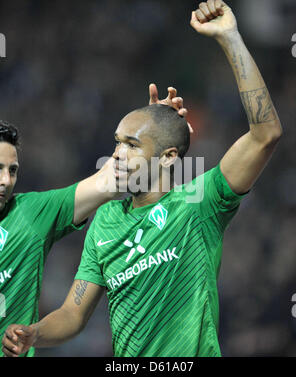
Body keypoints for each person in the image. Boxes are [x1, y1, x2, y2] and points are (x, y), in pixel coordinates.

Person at [2, 0, 282, 357]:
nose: (118, 153)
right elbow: (74, 313)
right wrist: (34, 333)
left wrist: (230, 38)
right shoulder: (105, 219)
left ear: (168, 157)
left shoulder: (199, 203)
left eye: (132, 145)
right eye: (117, 142)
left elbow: (265, 134)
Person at [0, 86, 187, 358]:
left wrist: (152, 129)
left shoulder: (29, 215)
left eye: (12, 170)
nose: (6, 180)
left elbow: (111, 180)